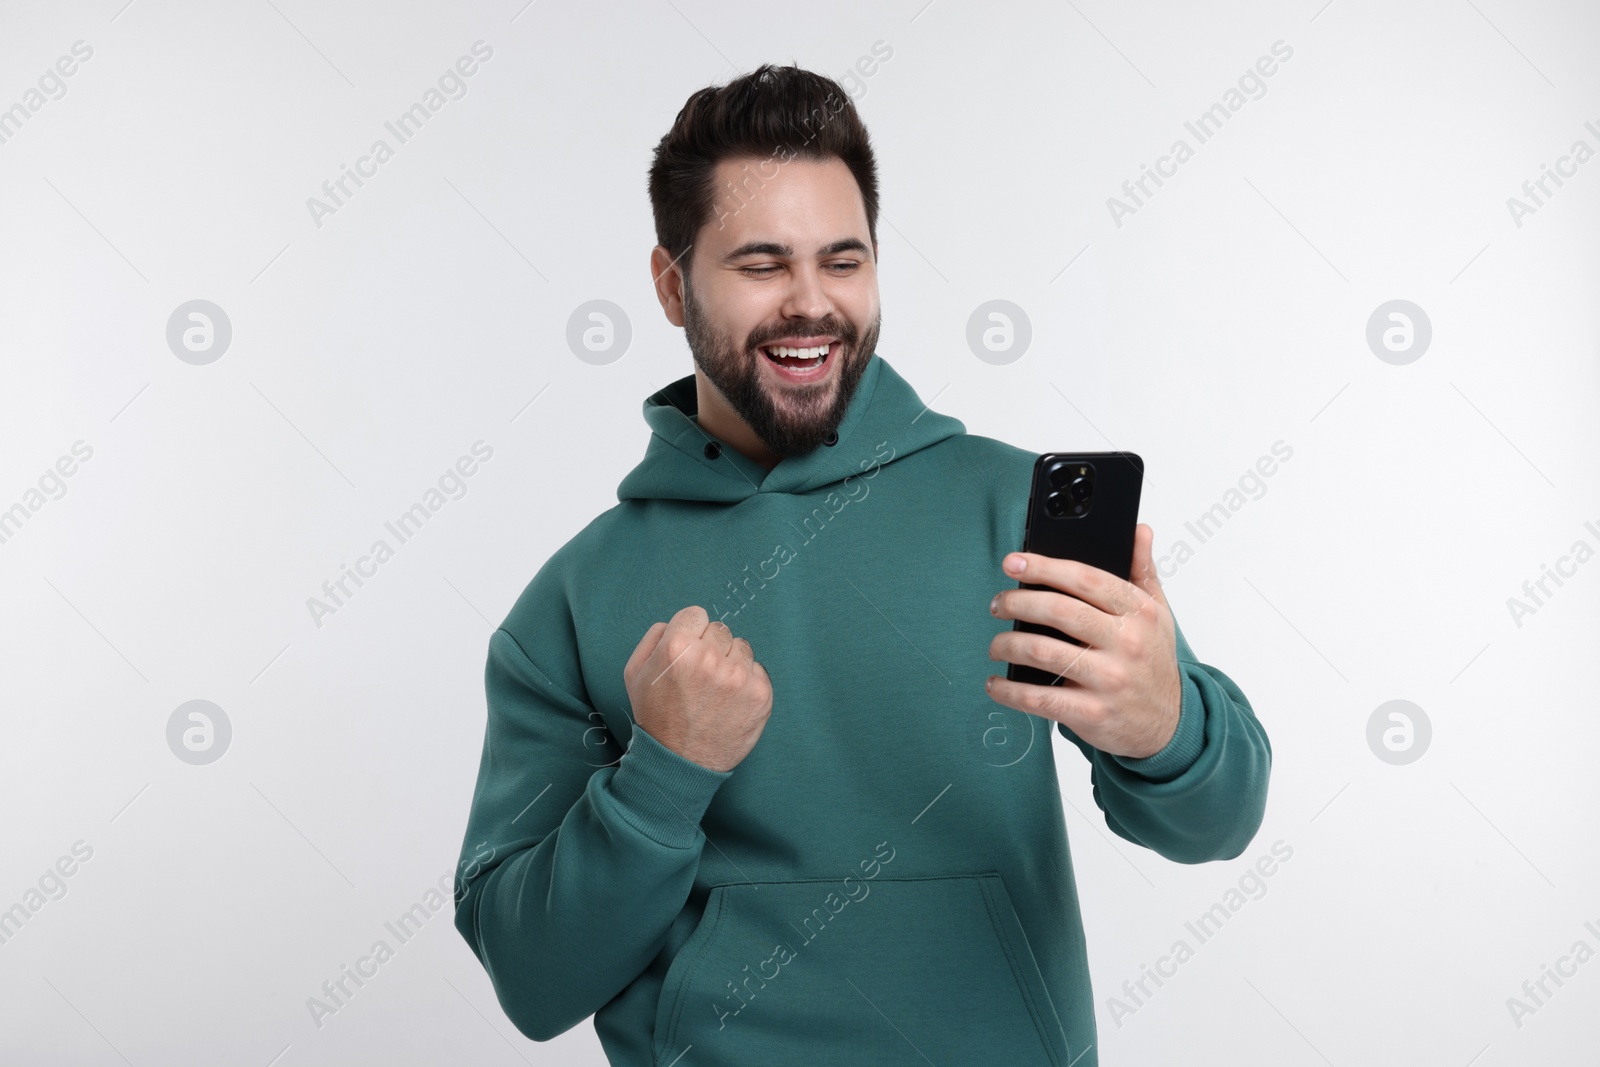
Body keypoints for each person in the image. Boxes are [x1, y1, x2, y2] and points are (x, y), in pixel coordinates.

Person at [452, 63, 1271, 1067]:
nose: (811, 304)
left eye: (843, 261)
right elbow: (533, 978)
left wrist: (1168, 727)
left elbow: (1219, 823)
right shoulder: (573, 599)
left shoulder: (1012, 514)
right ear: (672, 285)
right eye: (760, 264)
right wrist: (662, 775)